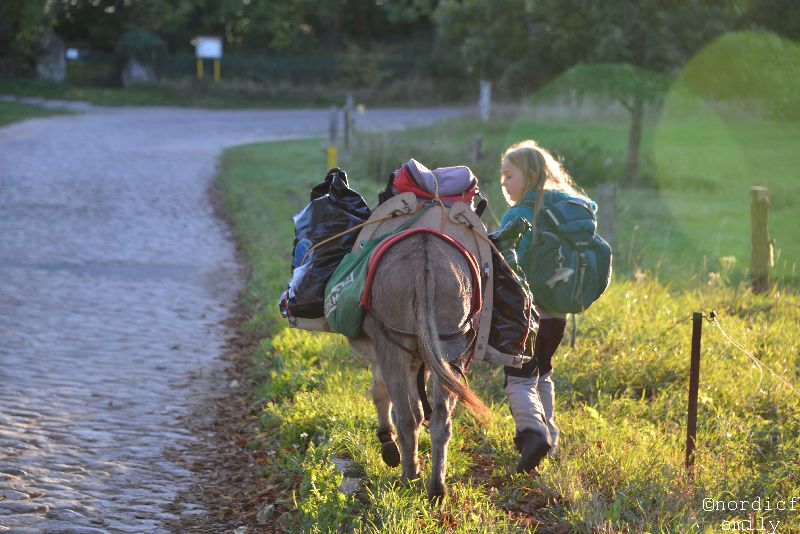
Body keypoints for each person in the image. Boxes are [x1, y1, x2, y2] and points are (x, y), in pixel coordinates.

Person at [498, 139, 598, 473]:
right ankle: (550, 439)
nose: (504, 184)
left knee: (519, 375)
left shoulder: (520, 214)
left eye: (509, 176)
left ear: (527, 176)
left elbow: (508, 265)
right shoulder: (565, 208)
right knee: (543, 370)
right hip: (558, 313)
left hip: (528, 314)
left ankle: (533, 434)